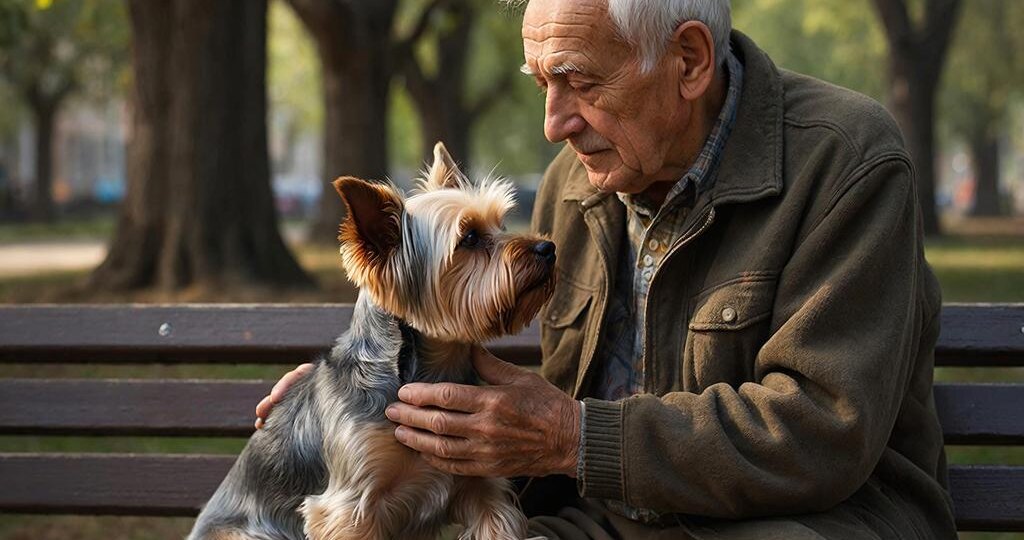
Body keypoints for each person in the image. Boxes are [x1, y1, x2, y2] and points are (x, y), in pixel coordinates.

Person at [256, 0, 957, 537]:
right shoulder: (577, 181)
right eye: (542, 85)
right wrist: (363, 401)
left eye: (579, 82)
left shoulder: (845, 164)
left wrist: (578, 437)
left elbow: (824, 429)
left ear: (688, 61)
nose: (554, 123)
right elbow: (533, 399)